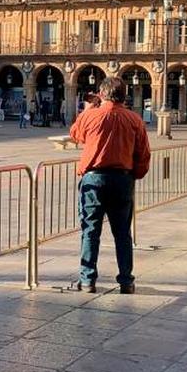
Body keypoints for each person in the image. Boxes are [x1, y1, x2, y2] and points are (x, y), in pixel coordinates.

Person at [68, 77, 151, 294]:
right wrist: (134, 175)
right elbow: (143, 154)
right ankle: (126, 281)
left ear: (102, 94)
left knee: (90, 230)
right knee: (123, 233)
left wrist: (88, 109)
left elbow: (75, 134)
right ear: (124, 95)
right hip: (122, 179)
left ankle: (87, 280)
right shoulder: (135, 119)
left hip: (94, 178)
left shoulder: (91, 115)